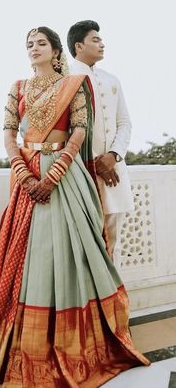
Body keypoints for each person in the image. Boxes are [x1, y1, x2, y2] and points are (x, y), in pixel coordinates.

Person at [0, 26, 149, 387]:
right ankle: (28, 343)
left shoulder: (73, 84)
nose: (34, 48)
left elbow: (80, 130)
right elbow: (8, 133)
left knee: (75, 254)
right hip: (27, 177)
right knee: (29, 256)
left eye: (41, 43)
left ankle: (77, 341)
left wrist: (55, 174)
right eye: (29, 44)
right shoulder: (17, 87)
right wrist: (23, 172)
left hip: (66, 178)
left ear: (56, 51)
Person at [68, 20, 134, 264]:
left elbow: (125, 123)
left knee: (114, 243)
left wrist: (113, 155)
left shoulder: (112, 79)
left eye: (101, 39)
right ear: (79, 45)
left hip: (114, 171)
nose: (102, 43)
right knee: (85, 244)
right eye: (95, 39)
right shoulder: (66, 78)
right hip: (81, 173)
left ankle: (115, 301)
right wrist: (91, 164)